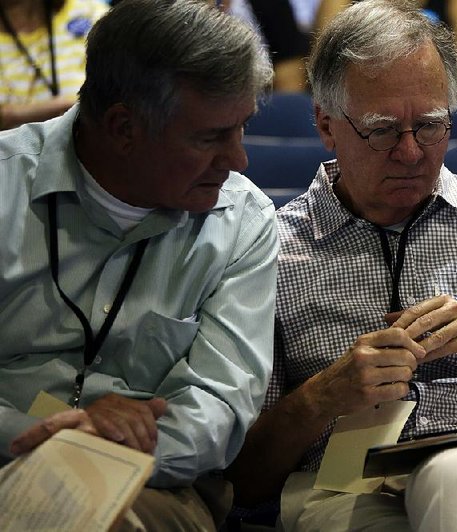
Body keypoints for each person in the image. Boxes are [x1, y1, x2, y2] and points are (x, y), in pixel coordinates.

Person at [226, 1, 457, 529]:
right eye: (384, 130)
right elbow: (244, 479)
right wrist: (323, 396)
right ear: (326, 124)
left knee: (456, 478)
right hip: (342, 488)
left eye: (432, 126)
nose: (412, 153)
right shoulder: (273, 249)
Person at [0, 0, 277, 529]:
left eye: (241, 129)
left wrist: (95, 451)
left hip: (150, 482)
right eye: (210, 136)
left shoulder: (243, 221)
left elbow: (217, 411)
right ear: (123, 127)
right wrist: (36, 435)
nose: (238, 159)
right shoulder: (4, 184)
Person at [314, 0, 457, 99]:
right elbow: (327, 67)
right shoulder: (339, 2)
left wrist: (425, 110)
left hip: (440, 112)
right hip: (363, 111)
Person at [0, 0, 107, 130]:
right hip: (14, 147)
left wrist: (17, 113)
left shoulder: (89, 11)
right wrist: (64, 105)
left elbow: (118, 90)